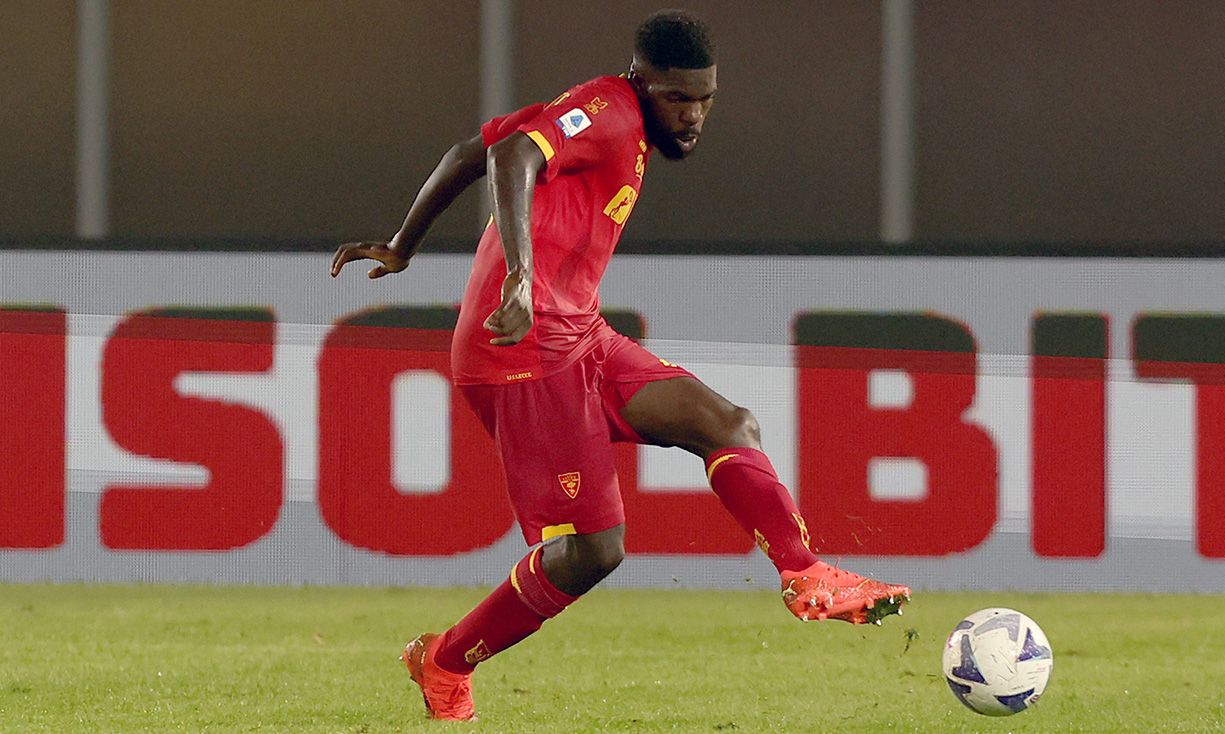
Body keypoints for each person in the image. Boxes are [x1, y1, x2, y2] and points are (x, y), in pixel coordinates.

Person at [330, 9, 910, 722]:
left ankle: (804, 574)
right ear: (643, 83)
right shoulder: (608, 113)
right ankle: (445, 660)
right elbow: (510, 160)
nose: (693, 115)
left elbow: (469, 148)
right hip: (521, 352)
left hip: (577, 334)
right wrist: (517, 276)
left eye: (704, 99)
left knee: (727, 424)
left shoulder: (595, 108)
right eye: (677, 98)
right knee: (594, 553)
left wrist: (401, 245)